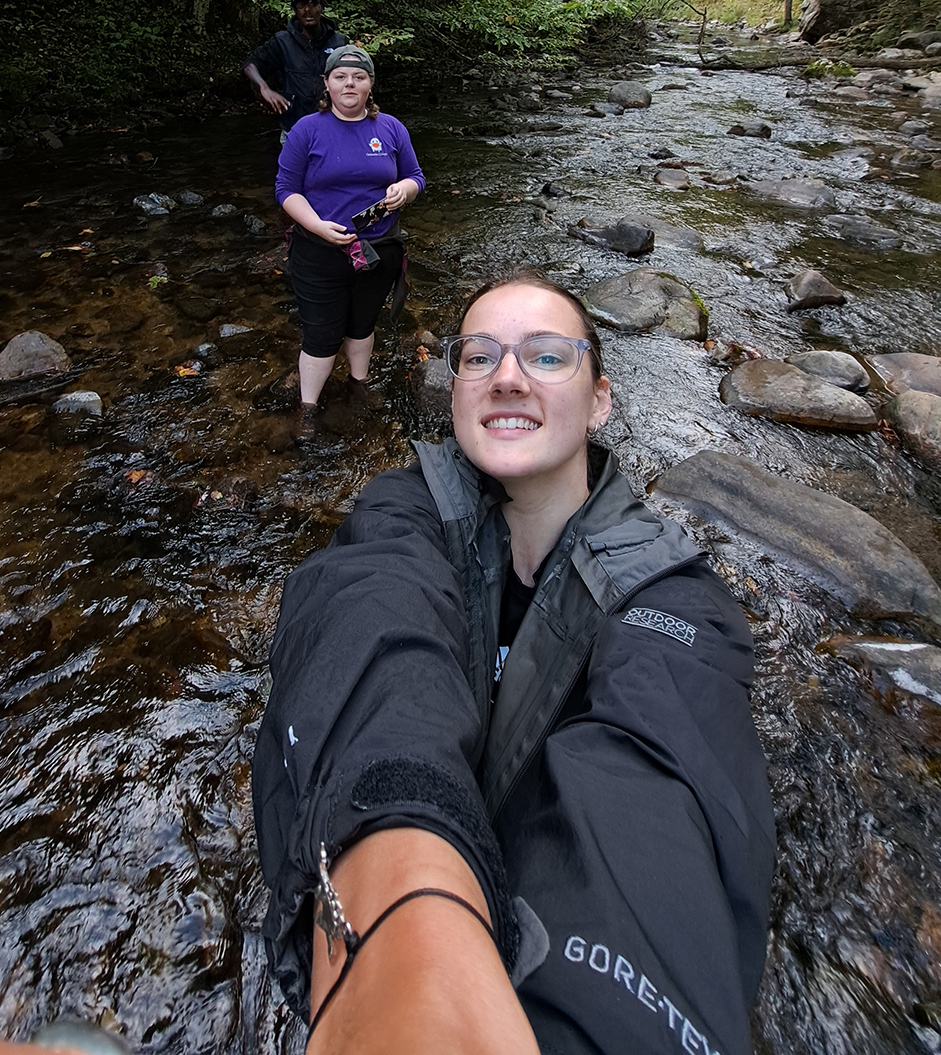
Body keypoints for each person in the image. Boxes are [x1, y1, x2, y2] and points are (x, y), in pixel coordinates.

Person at [253, 271, 776, 1054]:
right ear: (457, 387)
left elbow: (658, 768)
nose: (506, 376)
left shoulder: (677, 594)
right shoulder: (402, 510)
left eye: (546, 357)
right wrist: (404, 900)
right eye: (479, 356)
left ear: (599, 399)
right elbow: (367, 637)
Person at [275, 46, 425, 429]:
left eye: (358, 77)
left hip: (377, 250)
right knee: (322, 334)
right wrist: (315, 225)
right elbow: (285, 189)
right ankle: (308, 409)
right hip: (318, 250)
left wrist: (404, 190)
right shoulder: (306, 130)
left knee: (362, 325)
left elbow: (416, 176)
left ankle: (359, 385)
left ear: (370, 84)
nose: (349, 84)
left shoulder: (390, 128)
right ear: (326, 83)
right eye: (340, 76)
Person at [242, 0, 350, 138]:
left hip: (334, 128)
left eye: (313, 3)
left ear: (321, 7)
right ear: (294, 10)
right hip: (294, 130)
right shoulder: (282, 42)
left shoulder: (339, 42)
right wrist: (264, 88)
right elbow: (250, 64)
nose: (307, 10)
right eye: (301, 5)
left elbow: (356, 79)